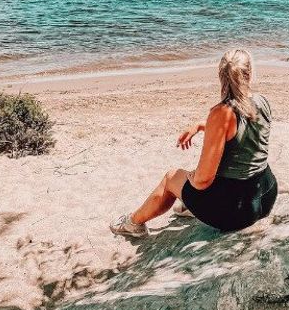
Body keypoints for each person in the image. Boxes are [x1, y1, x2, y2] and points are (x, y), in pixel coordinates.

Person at [110, 49, 277, 237]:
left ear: (221, 76)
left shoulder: (222, 113)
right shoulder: (262, 101)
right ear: (250, 73)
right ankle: (189, 206)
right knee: (207, 172)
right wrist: (200, 126)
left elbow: (203, 181)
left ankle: (133, 224)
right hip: (266, 196)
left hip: (238, 212)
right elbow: (241, 130)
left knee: (172, 177)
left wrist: (189, 176)